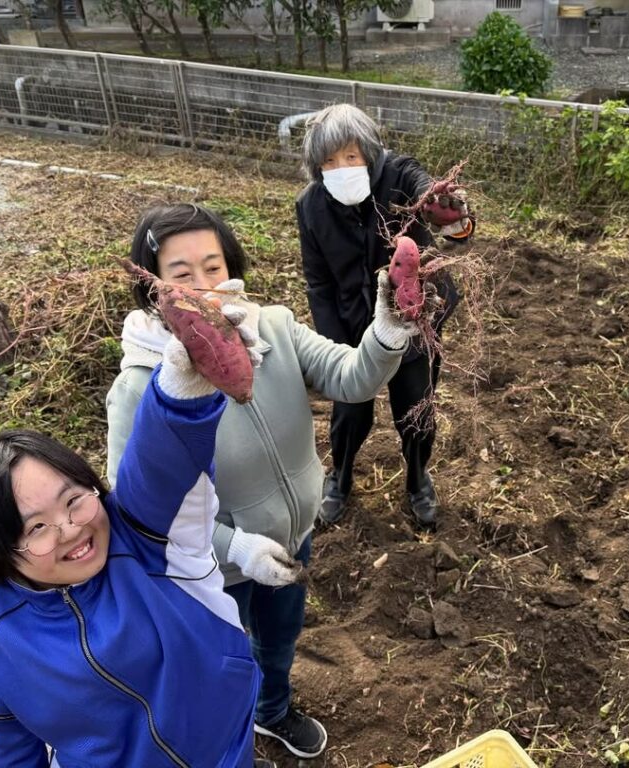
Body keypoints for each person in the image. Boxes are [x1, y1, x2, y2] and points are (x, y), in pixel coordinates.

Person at [106, 203, 415, 760]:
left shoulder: (270, 326)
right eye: (181, 273)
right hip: (210, 569)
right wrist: (235, 547)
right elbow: (135, 510)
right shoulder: (140, 385)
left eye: (213, 266)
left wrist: (389, 328)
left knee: (278, 639)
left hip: (292, 536)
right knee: (221, 660)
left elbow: (351, 377)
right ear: (154, 288)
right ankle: (228, 742)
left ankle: (272, 712)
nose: (204, 285)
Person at [0, 305, 269, 766]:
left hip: (226, 749)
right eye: (37, 527)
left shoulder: (144, 537)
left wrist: (183, 389)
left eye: (73, 499)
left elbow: (162, 465)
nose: (71, 528)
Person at [295, 103, 474, 527]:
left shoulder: (400, 175)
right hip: (352, 324)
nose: (341, 168)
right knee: (349, 411)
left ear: (369, 152)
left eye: (350, 156)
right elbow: (318, 283)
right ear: (317, 167)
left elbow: (440, 207)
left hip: (414, 319)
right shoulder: (311, 206)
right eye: (329, 161)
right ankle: (340, 477)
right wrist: (337, 347)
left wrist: (450, 214)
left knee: (415, 409)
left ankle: (418, 478)